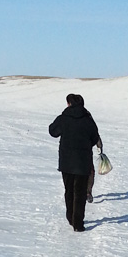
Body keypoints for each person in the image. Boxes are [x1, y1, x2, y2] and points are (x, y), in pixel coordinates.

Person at [49, 94, 102, 232]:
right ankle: (78, 223)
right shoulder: (88, 119)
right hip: (83, 161)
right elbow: (94, 137)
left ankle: (70, 218)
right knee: (80, 192)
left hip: (66, 161)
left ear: (69, 104)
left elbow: (52, 131)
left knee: (69, 190)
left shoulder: (63, 118)